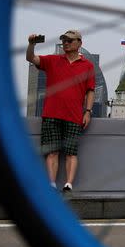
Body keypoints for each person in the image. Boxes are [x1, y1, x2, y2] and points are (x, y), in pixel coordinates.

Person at [26, 30, 96, 194]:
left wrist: (88, 111)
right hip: (51, 114)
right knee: (52, 151)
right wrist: (31, 44)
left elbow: (90, 91)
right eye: (64, 40)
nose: (66, 43)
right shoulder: (52, 60)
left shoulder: (88, 66)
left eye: (70, 41)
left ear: (79, 43)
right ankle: (51, 184)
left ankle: (68, 185)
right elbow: (31, 58)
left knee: (71, 152)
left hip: (74, 115)